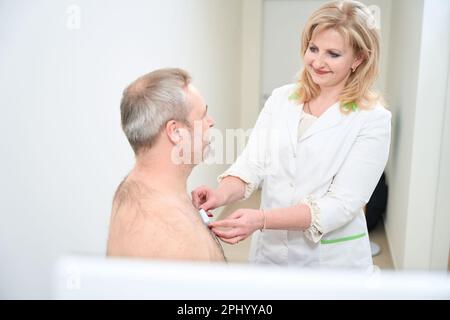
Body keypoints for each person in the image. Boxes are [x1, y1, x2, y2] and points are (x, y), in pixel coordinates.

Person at [192, 0, 391, 269]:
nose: (317, 62)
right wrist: (221, 194)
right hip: (270, 255)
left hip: (329, 263)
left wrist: (262, 219)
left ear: (359, 59)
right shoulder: (282, 98)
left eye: (333, 54)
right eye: (313, 48)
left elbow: (341, 204)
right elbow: (252, 163)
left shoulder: (373, 119)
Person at [107, 68, 225, 262]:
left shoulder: (130, 190)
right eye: (203, 115)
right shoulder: (177, 239)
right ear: (176, 132)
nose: (210, 122)